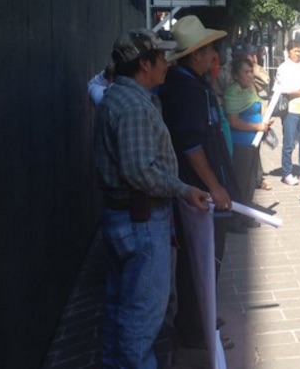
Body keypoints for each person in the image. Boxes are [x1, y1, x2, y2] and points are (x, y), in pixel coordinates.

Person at [94, 28, 210, 368]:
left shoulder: (124, 97)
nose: (167, 65)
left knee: (122, 309)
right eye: (161, 58)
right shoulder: (132, 105)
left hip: (127, 219)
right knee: (141, 318)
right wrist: (184, 189)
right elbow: (139, 172)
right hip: (141, 222)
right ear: (144, 64)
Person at [158, 15, 239, 366]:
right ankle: (193, 330)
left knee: (206, 263)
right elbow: (191, 146)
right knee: (199, 263)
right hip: (200, 196)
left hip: (204, 192)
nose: (213, 55)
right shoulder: (185, 89)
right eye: (208, 50)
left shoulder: (195, 83)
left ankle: (199, 320)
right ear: (193, 55)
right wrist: (215, 185)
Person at [224, 58, 273, 207]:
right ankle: (236, 218)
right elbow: (234, 121)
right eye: (246, 72)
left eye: (251, 71)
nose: (251, 75)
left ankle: (246, 213)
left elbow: (257, 106)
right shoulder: (233, 92)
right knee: (241, 182)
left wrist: (265, 121)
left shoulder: (251, 89)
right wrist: (258, 126)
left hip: (253, 143)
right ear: (236, 75)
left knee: (251, 181)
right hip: (241, 144)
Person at [275, 40, 300, 185]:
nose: (298, 54)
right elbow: (287, 89)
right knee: (289, 143)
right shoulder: (283, 68)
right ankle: (287, 173)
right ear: (288, 51)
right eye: (295, 51)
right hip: (290, 111)